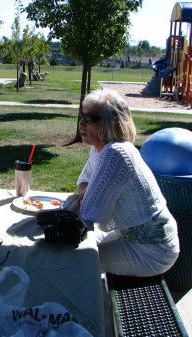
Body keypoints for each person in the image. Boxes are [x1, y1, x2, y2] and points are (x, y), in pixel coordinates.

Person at [76, 88, 179, 277]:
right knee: (76, 247)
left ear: (109, 122)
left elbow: (89, 213)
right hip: (129, 235)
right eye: (82, 115)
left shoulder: (116, 153)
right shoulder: (99, 148)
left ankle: (88, 306)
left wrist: (86, 196)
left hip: (152, 250)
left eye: (89, 119)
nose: (81, 123)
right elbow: (83, 182)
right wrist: (87, 193)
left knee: (79, 259)